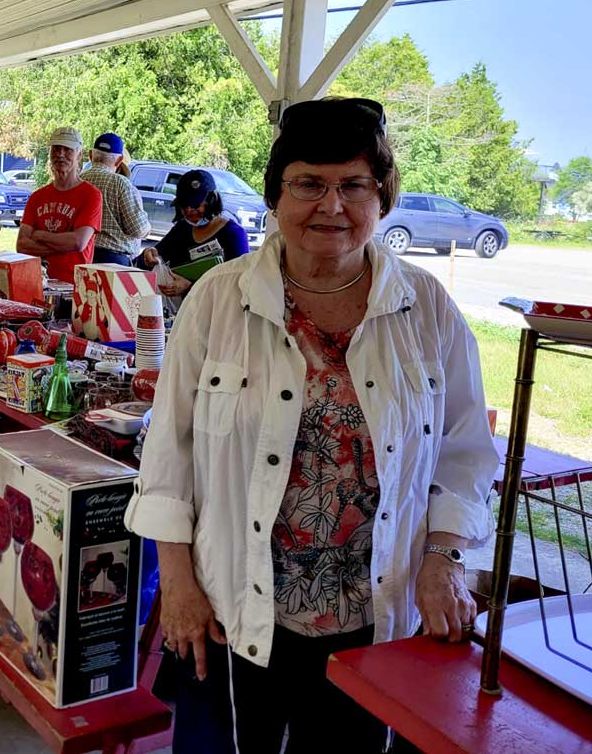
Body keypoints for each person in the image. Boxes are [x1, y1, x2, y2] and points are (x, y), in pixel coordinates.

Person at [125, 98, 499, 752]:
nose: (332, 206)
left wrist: (444, 556)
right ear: (275, 196)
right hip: (232, 612)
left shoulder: (427, 307)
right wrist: (177, 582)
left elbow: (465, 454)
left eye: (355, 185)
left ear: (382, 198)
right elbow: (169, 454)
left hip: (376, 622)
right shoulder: (221, 298)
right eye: (308, 184)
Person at [139, 169, 249, 298]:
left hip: (217, 311)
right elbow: (154, 256)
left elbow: (240, 282)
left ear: (212, 200)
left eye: (196, 205)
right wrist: (148, 255)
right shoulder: (182, 229)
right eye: (184, 205)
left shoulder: (234, 234)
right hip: (184, 311)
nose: (189, 211)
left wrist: (191, 286)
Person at [16, 127, 103, 282]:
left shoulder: (91, 195)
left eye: (67, 149)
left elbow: (78, 242)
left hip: (74, 286)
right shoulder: (37, 197)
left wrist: (39, 235)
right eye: (56, 149)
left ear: (79, 155)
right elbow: (22, 245)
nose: (60, 154)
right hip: (37, 282)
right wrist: (63, 245)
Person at [79, 132, 150, 265]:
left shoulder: (78, 181)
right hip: (113, 262)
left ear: (90, 155)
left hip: (82, 256)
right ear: (119, 160)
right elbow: (138, 229)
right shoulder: (121, 184)